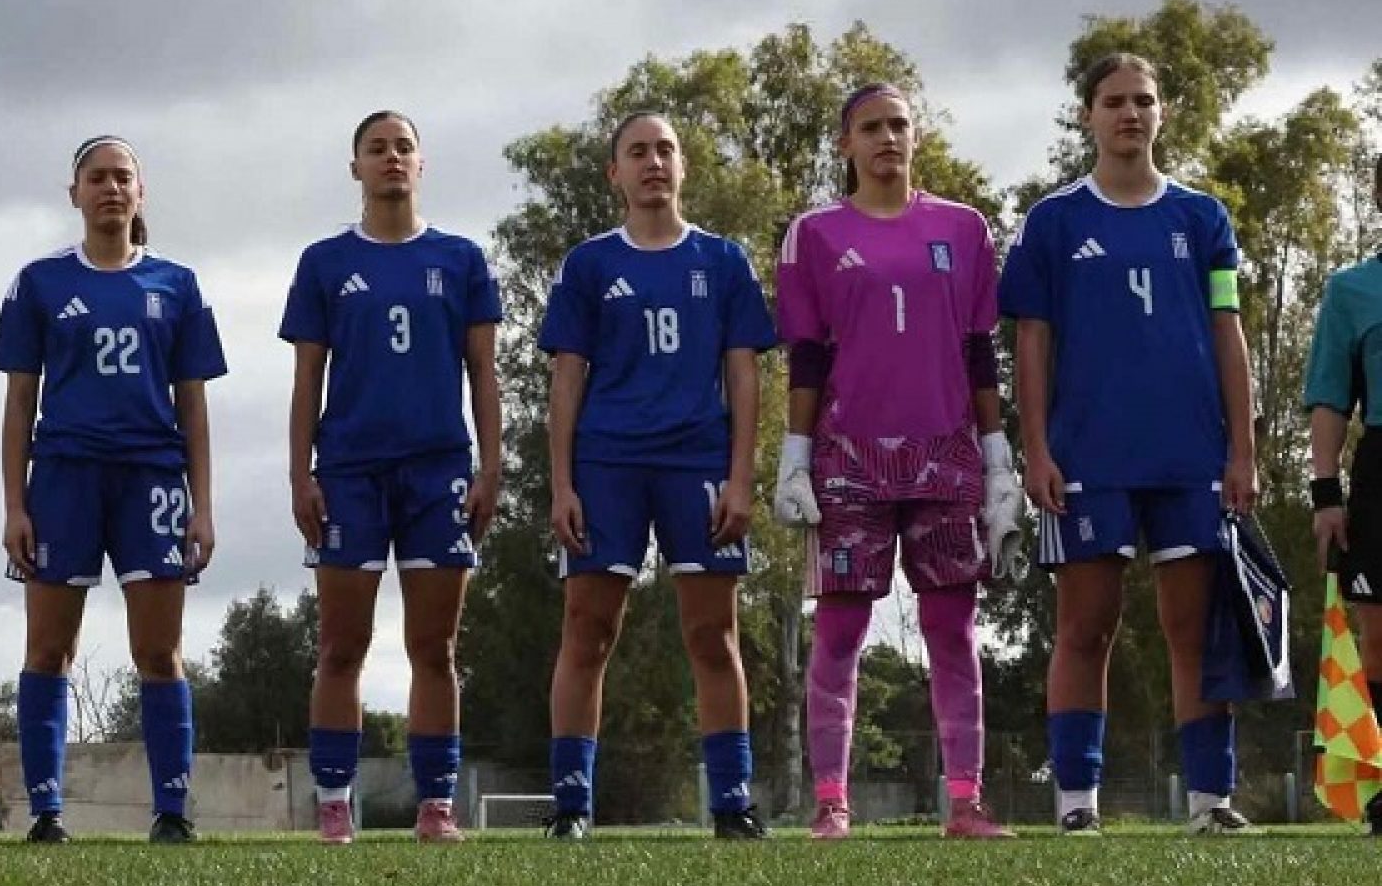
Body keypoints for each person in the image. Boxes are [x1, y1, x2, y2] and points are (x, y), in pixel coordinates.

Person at [1000, 52, 1259, 835]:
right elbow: (1032, 343)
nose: (1130, 114)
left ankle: (1211, 802)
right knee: (1087, 625)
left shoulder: (1203, 218)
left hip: (1190, 456)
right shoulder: (1053, 221)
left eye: (1143, 100)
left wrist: (1242, 450)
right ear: (1088, 115)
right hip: (1088, 457)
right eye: (1114, 101)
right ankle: (1077, 803)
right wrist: (1036, 448)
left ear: (1162, 112)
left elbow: (1228, 331)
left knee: (1195, 629)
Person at [774, 83, 1019, 841]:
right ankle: (831, 803)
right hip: (849, 459)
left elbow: (980, 351)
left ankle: (966, 802)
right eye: (871, 127)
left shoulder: (964, 228)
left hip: (946, 455)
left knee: (953, 626)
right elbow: (806, 357)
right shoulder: (814, 234)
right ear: (846, 143)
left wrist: (998, 460)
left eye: (899, 125)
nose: (887, 138)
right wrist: (794, 458)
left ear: (918, 137)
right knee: (839, 630)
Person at [539, 110, 775, 839]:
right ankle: (571, 804)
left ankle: (731, 802)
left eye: (665, 149)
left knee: (713, 633)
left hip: (697, 460)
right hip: (606, 462)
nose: (653, 162)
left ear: (683, 165)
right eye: (637, 151)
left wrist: (742, 478)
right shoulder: (589, 265)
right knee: (588, 629)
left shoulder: (723, 261)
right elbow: (566, 380)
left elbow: (744, 376)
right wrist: (561, 484)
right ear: (615, 173)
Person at [0, 137, 226, 843]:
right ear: (75, 193)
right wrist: (14, 504)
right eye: (97, 178)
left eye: (123, 177)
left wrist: (203, 506)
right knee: (48, 649)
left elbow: (194, 405)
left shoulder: (178, 285)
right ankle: (46, 813)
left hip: (152, 477)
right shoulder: (39, 282)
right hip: (64, 476)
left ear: (140, 192)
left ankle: (173, 813)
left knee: (158, 650)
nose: (111, 188)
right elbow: (19, 402)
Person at [281, 110, 501, 844]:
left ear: (421, 162)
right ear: (356, 168)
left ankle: (436, 804)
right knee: (341, 645)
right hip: (348, 471)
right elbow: (307, 379)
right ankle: (334, 802)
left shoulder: (461, 259)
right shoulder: (324, 262)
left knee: (435, 648)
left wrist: (491, 466)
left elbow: (483, 372)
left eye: (403, 146)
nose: (391, 158)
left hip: (439, 469)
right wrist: (300, 473)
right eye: (376, 148)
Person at [1305, 151, 1382, 832]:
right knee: (1378, 633)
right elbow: (1331, 398)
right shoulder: (1351, 290)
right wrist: (1326, 494)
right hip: (1381, 467)